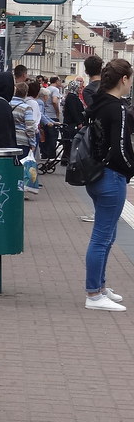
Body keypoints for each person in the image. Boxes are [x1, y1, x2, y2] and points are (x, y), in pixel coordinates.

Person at [82, 59, 134, 312]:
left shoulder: (98, 103)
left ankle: (100, 286)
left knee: (107, 235)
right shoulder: (118, 108)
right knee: (102, 237)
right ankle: (93, 293)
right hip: (112, 176)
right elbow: (121, 146)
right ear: (124, 79)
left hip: (96, 175)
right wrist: (129, 169)